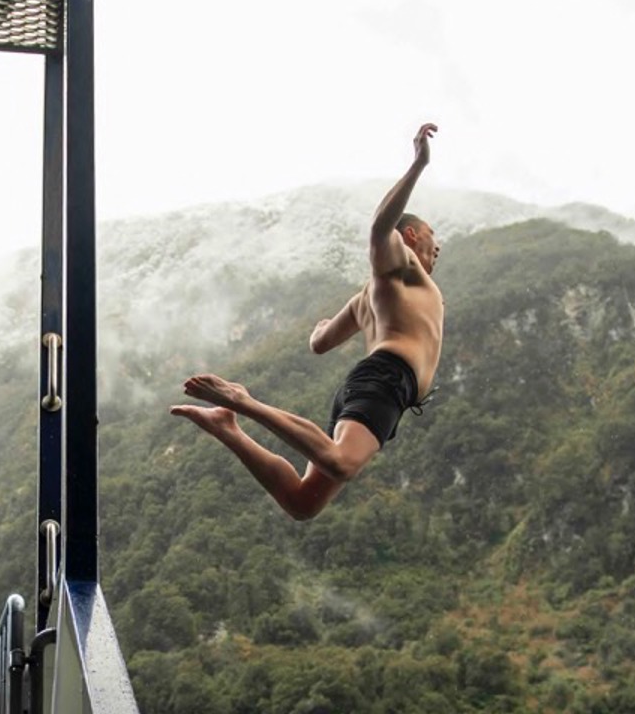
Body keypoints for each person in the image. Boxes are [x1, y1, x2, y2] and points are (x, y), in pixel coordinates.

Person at [171, 123, 444, 521]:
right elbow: (379, 228)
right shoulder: (405, 264)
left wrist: (320, 327)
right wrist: (418, 165)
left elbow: (319, 344)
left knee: (302, 502)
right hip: (386, 380)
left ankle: (228, 427)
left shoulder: (368, 298)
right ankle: (240, 402)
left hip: (374, 386)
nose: (438, 248)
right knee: (341, 464)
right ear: (412, 235)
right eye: (433, 238)